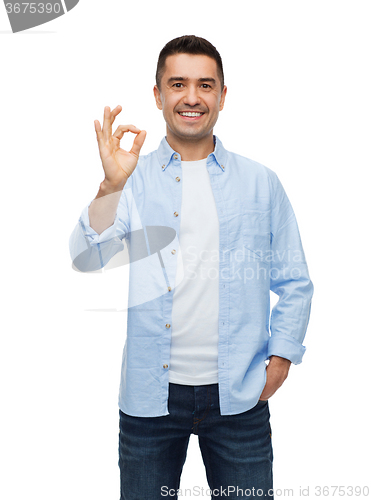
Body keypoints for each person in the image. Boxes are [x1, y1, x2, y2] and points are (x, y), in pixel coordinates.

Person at [69, 35, 313, 500]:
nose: (192, 97)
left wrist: (281, 358)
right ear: (159, 95)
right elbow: (87, 255)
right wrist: (109, 186)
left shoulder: (261, 182)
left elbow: (295, 282)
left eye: (205, 84)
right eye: (178, 84)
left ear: (222, 96)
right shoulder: (132, 179)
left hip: (240, 396)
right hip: (150, 399)